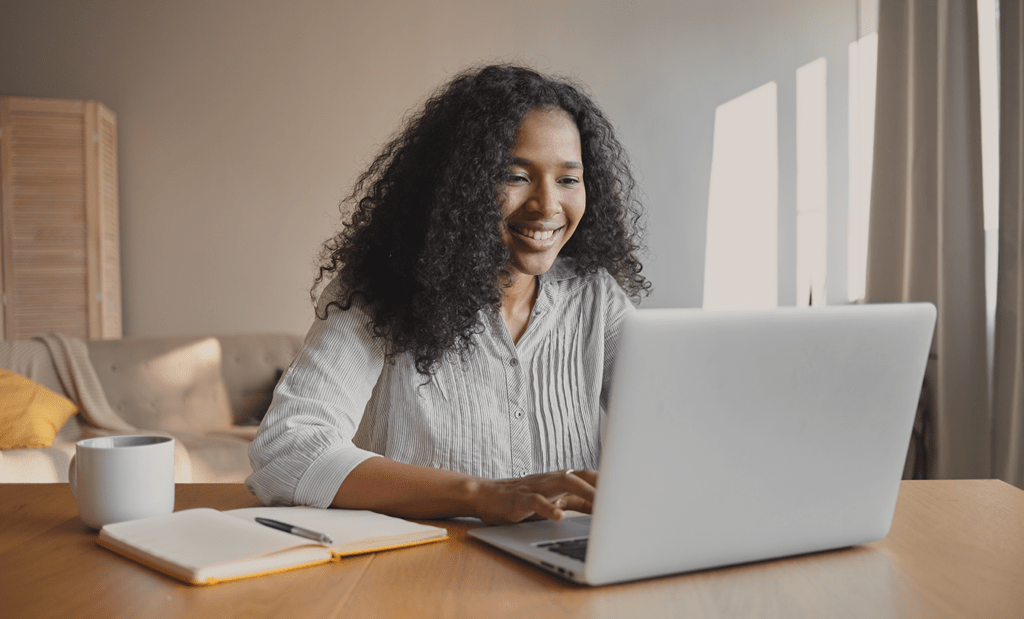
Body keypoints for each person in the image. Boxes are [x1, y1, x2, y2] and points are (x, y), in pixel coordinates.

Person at [246, 64, 650, 525]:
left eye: (568, 179)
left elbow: (675, 430)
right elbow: (287, 450)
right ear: (459, 185)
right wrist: (480, 495)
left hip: (563, 566)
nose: (547, 205)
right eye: (515, 176)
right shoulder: (379, 292)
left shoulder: (596, 298)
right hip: (419, 571)